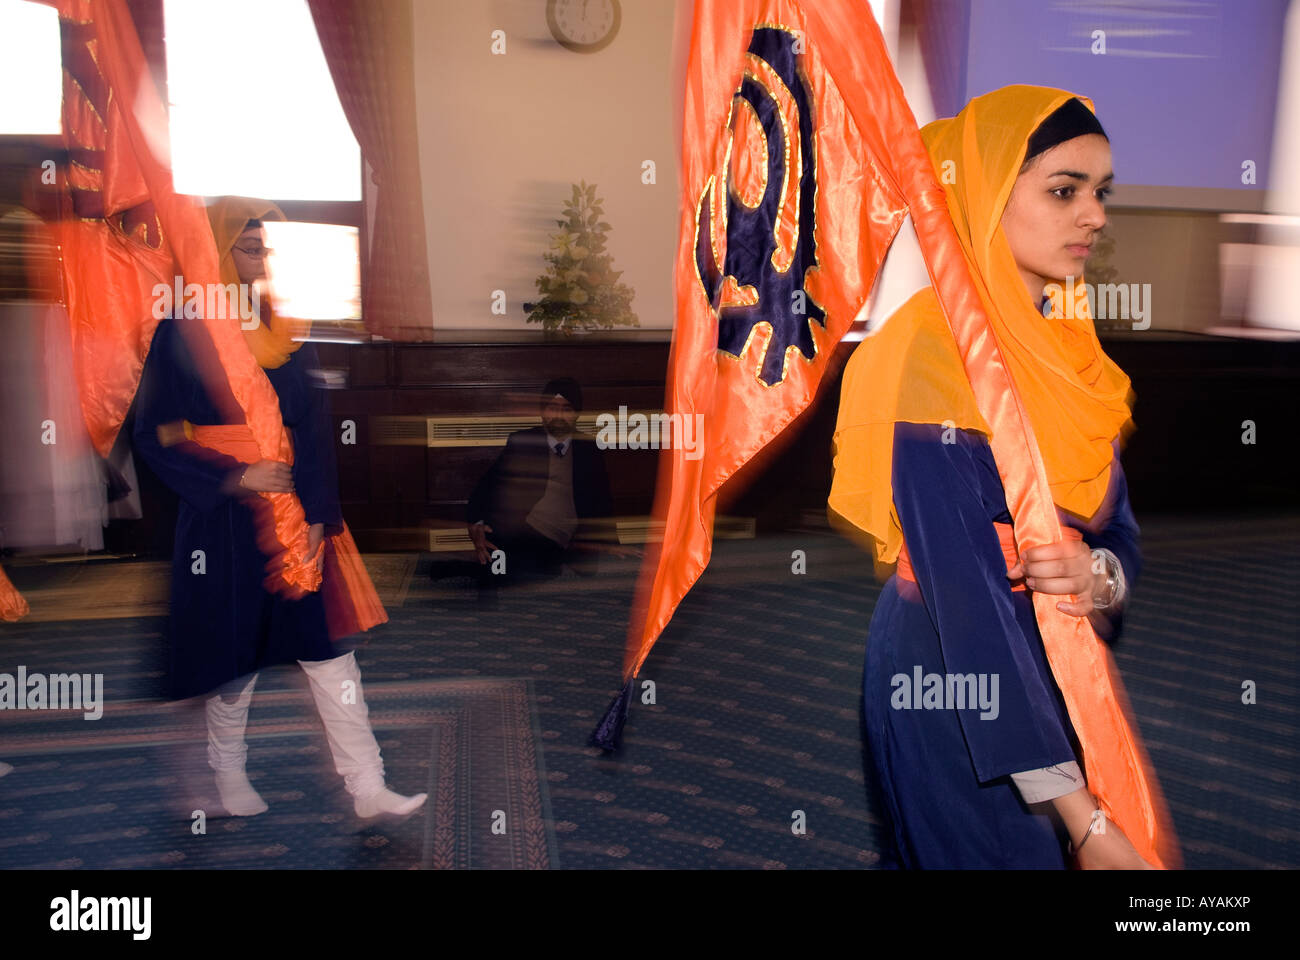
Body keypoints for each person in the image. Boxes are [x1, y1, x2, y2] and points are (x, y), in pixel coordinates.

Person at [830, 87, 1163, 868]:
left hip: (1060, 664)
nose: (1096, 215)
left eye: (1100, 192)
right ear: (983, 194)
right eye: (1063, 190)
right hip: (950, 674)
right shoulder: (928, 354)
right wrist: (1087, 820)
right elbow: (966, 596)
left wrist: (1096, 572)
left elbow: (1118, 534)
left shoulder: (1073, 353)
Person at [132, 197, 425, 820]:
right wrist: (237, 475)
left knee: (329, 653)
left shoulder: (287, 327)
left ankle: (367, 785)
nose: (261, 260)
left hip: (293, 517)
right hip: (225, 523)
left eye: (267, 248)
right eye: (248, 247)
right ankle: (226, 770)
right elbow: (153, 434)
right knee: (235, 661)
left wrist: (318, 512)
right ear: (217, 250)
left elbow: (314, 427)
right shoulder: (184, 328)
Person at [467, 378, 613, 581]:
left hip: (562, 535)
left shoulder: (588, 448)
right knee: (504, 558)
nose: (559, 416)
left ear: (576, 414)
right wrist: (478, 523)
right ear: (543, 412)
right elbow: (488, 485)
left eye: (567, 409)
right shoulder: (522, 442)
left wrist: (611, 544)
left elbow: (602, 499)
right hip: (522, 528)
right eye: (552, 408)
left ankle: (505, 568)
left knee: (527, 568)